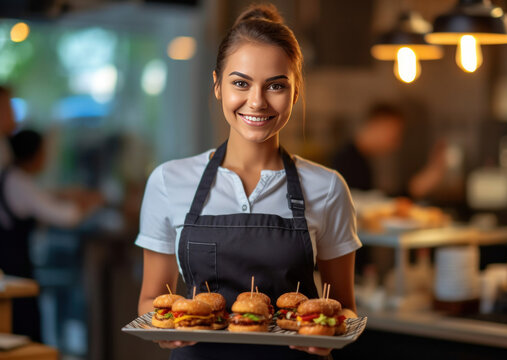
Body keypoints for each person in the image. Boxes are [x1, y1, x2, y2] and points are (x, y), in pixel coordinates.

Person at [136, 4, 361, 360]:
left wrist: (332, 334)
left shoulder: (328, 187)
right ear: (216, 86)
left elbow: (344, 306)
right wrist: (161, 330)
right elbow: (151, 300)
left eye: (275, 86)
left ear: (296, 91)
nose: (256, 102)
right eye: (240, 83)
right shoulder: (168, 181)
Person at [0, 129, 103, 341]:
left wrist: (66, 194)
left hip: (15, 266)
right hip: (14, 269)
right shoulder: (19, 182)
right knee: (23, 332)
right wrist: (94, 201)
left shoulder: (14, 178)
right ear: (35, 154)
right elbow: (68, 217)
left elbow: (43, 197)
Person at [332, 103, 446, 199]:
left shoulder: (359, 158)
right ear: (380, 124)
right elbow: (367, 206)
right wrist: (414, 189)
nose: (397, 144)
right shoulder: (347, 161)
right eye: (395, 135)